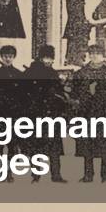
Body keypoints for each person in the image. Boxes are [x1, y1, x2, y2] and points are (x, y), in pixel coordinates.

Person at [71, 43, 106, 182]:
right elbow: (75, 93)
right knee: (87, 145)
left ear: (102, 55)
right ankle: (88, 175)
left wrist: (101, 94)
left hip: (105, 112)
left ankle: (105, 176)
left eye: (97, 53)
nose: (94, 56)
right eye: (91, 53)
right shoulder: (82, 72)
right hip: (87, 113)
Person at [24, 45, 68, 183]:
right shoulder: (32, 73)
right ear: (41, 57)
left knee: (52, 145)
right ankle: (38, 175)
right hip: (37, 114)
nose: (49, 61)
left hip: (50, 114)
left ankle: (54, 174)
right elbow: (25, 94)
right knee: (39, 146)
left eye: (51, 58)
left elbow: (59, 94)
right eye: (46, 57)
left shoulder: (52, 73)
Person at [0, 45, 25, 182]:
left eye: (10, 56)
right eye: (5, 56)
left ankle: (9, 172)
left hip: (14, 115)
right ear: (2, 57)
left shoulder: (19, 75)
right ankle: (0, 171)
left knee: (12, 146)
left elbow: (23, 97)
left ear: (14, 57)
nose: (7, 59)